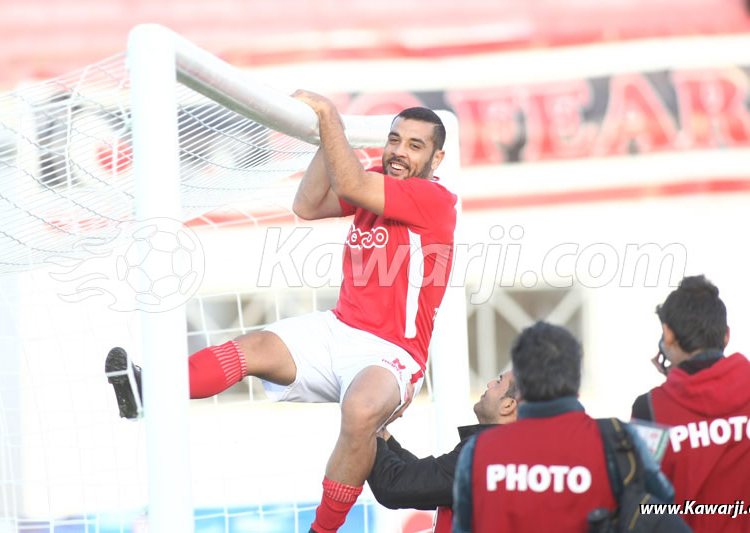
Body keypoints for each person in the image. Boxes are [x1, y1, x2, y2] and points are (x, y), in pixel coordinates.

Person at [105, 94, 458, 533]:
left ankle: (322, 530)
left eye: (415, 145)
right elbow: (307, 205)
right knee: (253, 347)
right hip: (339, 328)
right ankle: (147, 391)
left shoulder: (432, 198)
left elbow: (347, 185)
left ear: (436, 158)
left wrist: (330, 118)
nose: (399, 152)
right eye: (394, 140)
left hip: (393, 351)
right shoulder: (373, 183)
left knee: (362, 408)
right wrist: (321, 138)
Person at [451, 322, 678, 533]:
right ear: (576, 378)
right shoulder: (617, 439)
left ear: (520, 386)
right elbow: (664, 508)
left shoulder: (478, 451)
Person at [631, 275, 750, 532]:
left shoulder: (650, 410)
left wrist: (676, 382)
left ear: (668, 334)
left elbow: (643, 501)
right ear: (726, 335)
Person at [367, 371, 518, 533]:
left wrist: (368, 423)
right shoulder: (512, 453)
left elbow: (393, 485)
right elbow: (424, 482)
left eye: (499, 381)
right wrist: (382, 434)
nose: (490, 383)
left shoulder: (486, 454)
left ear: (508, 405)